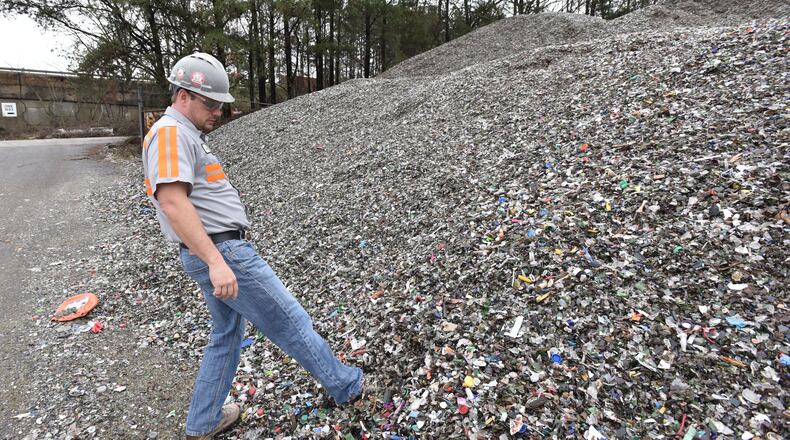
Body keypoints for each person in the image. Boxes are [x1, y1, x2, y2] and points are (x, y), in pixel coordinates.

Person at [141, 52, 364, 439]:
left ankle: (205, 420)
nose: (218, 112)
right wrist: (215, 261)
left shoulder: (184, 134)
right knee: (290, 320)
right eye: (210, 103)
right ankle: (346, 385)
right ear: (183, 96)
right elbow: (173, 202)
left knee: (226, 333)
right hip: (222, 252)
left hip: (218, 251)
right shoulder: (170, 133)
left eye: (220, 105)